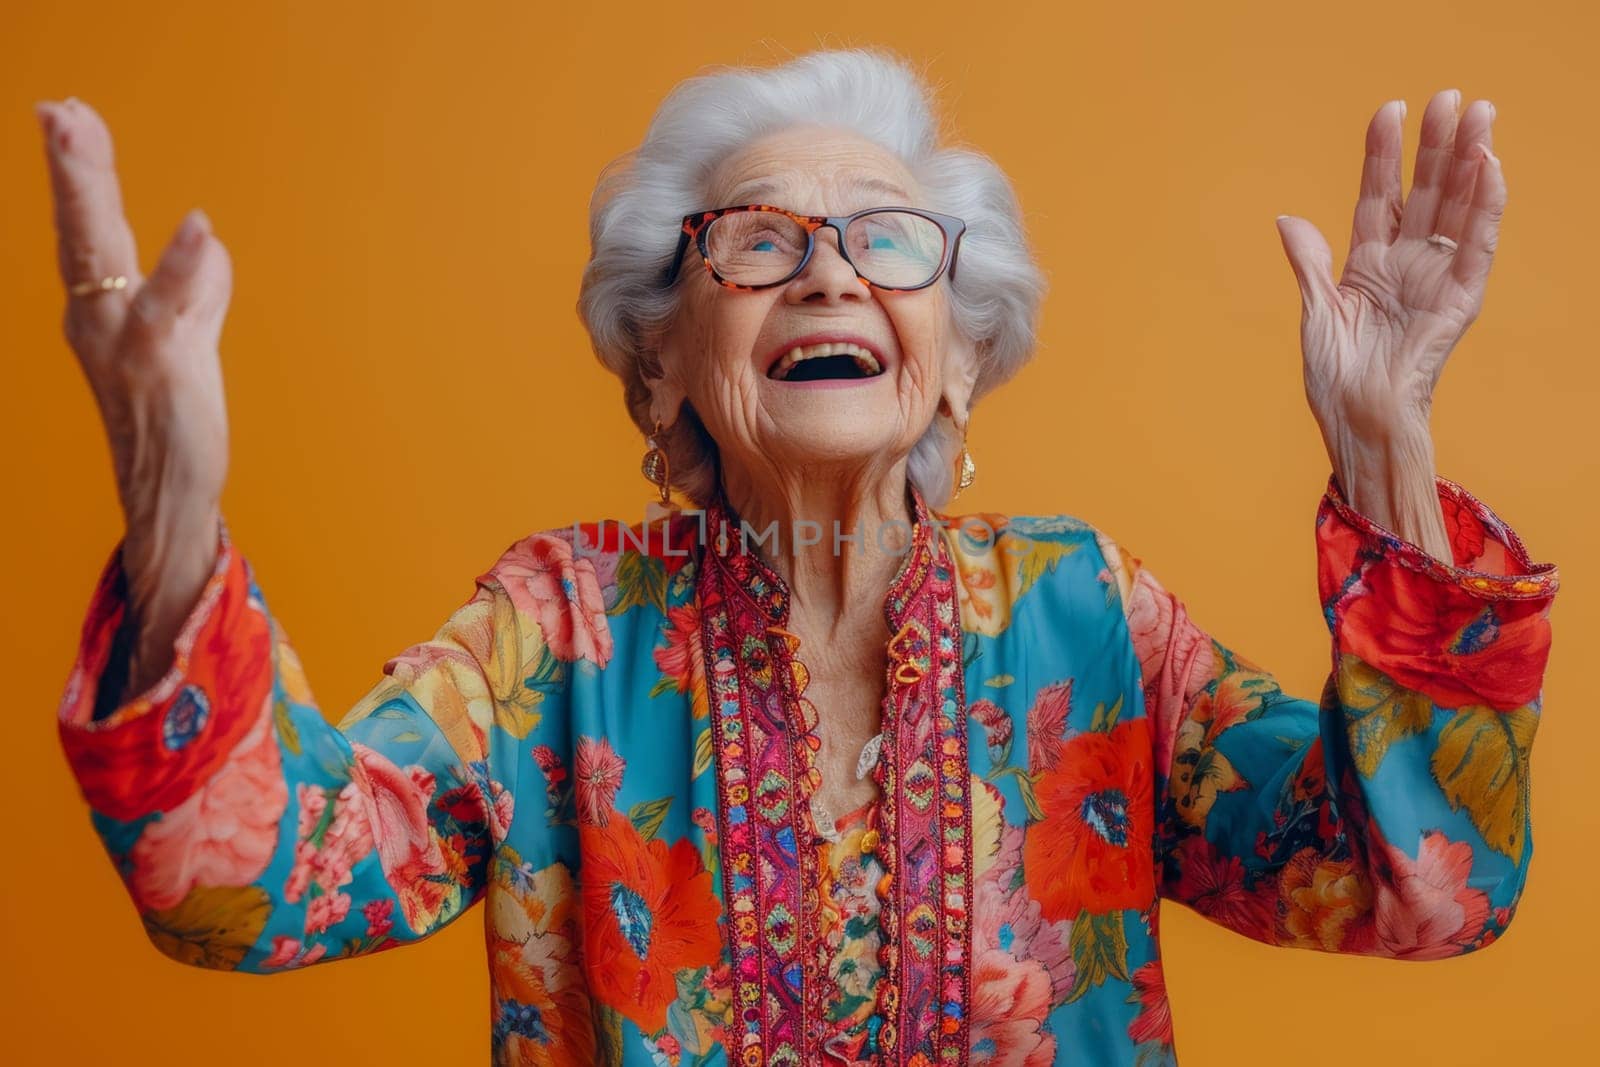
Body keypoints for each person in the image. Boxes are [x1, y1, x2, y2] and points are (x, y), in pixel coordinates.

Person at [41, 48, 1558, 1067]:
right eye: (756, 241)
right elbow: (250, 890)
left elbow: (1424, 892)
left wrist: (1384, 449)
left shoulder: (1086, 616)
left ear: (959, 364)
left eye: (888, 240)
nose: (829, 266)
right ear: (661, 369)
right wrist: (173, 505)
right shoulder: (555, 632)